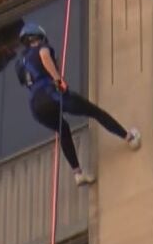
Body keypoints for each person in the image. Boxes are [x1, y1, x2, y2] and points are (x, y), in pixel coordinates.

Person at [15, 23, 140, 185]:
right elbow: (45, 57)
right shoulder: (41, 47)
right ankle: (129, 137)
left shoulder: (19, 64)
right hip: (51, 94)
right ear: (37, 37)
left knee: (63, 130)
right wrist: (58, 80)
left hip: (36, 106)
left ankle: (78, 173)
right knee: (94, 112)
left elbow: (27, 79)